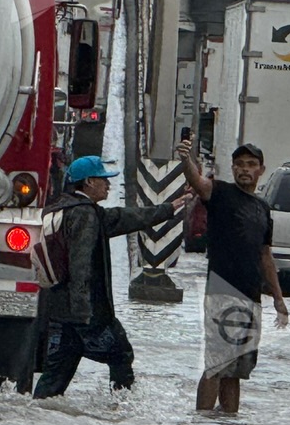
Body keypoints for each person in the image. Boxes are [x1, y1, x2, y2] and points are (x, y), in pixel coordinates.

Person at [32, 156, 193, 400]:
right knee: (121, 355)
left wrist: (169, 208)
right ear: (88, 182)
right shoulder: (85, 215)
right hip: (85, 313)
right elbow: (80, 264)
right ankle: (120, 411)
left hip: (58, 309)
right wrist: (84, 314)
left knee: (55, 377)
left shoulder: (63, 209)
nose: (108, 185)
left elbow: (126, 218)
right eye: (104, 180)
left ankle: (36, 418)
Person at [179, 138, 288, 414]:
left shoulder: (263, 209)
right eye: (239, 164)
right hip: (221, 290)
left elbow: (265, 255)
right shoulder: (221, 193)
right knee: (216, 364)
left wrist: (278, 298)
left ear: (261, 170)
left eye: (251, 165)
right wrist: (186, 159)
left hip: (251, 296)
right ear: (233, 168)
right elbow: (198, 181)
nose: (244, 169)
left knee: (237, 370)